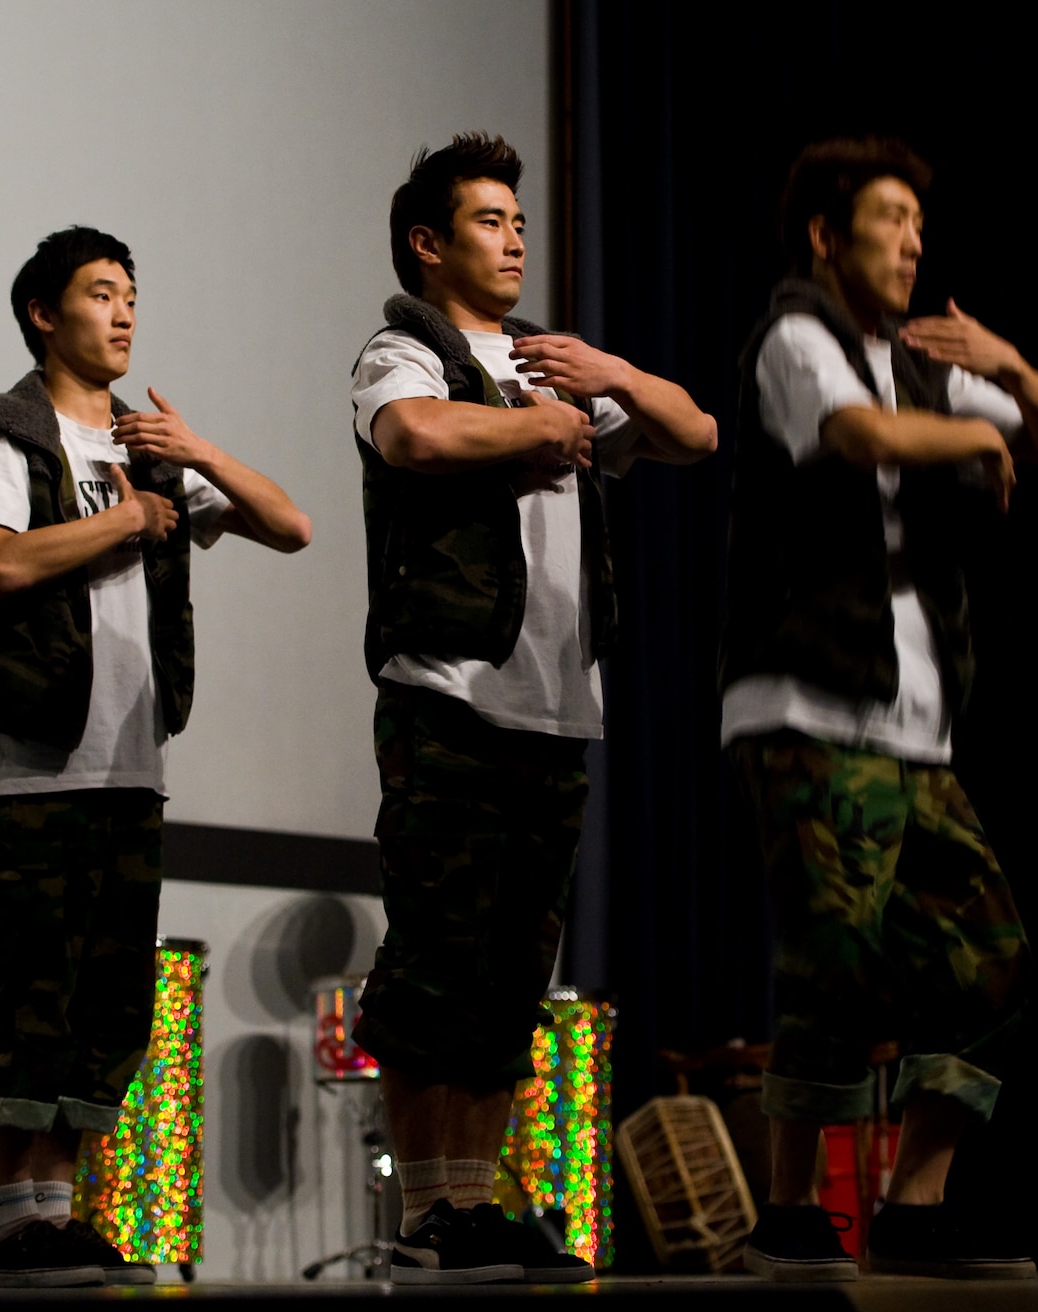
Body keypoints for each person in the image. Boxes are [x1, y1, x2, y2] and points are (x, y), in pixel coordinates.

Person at [349, 133, 716, 1285]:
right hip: (449, 699)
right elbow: (413, 435)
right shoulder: (403, 350)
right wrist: (543, 424)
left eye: (518, 221)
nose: (513, 240)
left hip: (555, 713)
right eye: (488, 221)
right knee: (437, 963)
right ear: (428, 243)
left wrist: (607, 375)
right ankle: (425, 1209)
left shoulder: (554, 364)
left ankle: (472, 1197)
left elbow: (694, 434)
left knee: (512, 973)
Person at [724, 137, 1038, 1281]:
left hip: (914, 728)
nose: (911, 242)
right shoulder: (796, 337)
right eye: (889, 219)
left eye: (918, 226)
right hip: (810, 705)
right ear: (824, 236)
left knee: (989, 959)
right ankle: (787, 1214)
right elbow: (860, 437)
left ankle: (912, 1206)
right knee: (834, 959)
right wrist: (978, 435)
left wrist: (1007, 367)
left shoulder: (923, 365)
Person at [0, 227, 310, 1289]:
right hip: (32, 763)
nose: (123, 314)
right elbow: (0, 562)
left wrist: (197, 456)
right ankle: (18, 1223)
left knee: (104, 1007)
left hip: (130, 764)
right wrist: (130, 519)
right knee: (28, 1000)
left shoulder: (150, 451)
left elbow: (289, 526)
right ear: (43, 314)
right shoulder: (3, 430)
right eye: (101, 294)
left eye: (131, 297)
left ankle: (56, 1218)